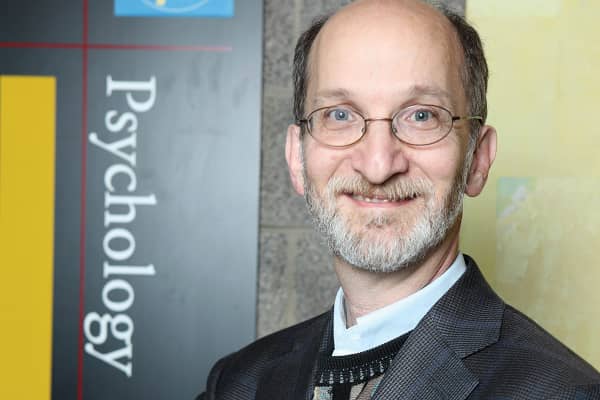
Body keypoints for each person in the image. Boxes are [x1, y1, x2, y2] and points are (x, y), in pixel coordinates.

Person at [199, 0, 600, 398]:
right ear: (297, 158)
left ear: (478, 158)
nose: (378, 165)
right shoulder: (237, 383)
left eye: (421, 116)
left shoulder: (566, 393)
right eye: (339, 115)